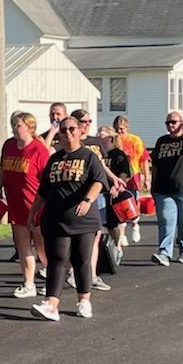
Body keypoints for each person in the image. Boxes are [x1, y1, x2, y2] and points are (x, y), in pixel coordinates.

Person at [29, 115, 107, 321]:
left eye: (72, 128)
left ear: (80, 131)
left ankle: (84, 301)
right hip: (56, 219)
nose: (68, 133)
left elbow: (99, 181)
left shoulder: (89, 156)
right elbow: (43, 190)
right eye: (63, 130)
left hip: (83, 220)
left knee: (81, 260)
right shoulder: (54, 159)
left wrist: (87, 200)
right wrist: (33, 211)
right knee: (57, 260)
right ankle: (52, 305)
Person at [70, 109, 127, 292]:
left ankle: (92, 275)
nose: (87, 124)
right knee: (74, 237)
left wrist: (114, 178)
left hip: (97, 195)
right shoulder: (73, 142)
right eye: (83, 121)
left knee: (95, 236)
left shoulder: (95, 142)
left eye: (89, 121)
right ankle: (72, 272)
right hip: (76, 195)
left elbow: (100, 165)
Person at [0, 112, 50, 298]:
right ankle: (29, 284)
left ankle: (52, 280)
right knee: (22, 246)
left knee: (42, 247)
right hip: (16, 205)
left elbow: (47, 181)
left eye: (18, 125)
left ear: (29, 128)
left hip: (35, 206)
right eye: (13, 125)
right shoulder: (9, 146)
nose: (14, 128)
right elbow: (3, 169)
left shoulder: (39, 150)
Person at [150, 110, 183, 266]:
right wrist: (153, 187)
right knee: (166, 221)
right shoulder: (161, 141)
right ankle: (164, 253)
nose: (170, 125)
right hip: (163, 189)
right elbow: (155, 165)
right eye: (168, 123)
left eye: (174, 122)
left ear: (181, 122)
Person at [113, 115, 150, 246]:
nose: (119, 131)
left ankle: (135, 224)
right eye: (117, 129)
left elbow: (144, 159)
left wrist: (147, 178)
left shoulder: (135, 140)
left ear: (127, 128)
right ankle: (122, 234)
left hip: (133, 178)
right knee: (120, 206)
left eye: (122, 128)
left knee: (133, 205)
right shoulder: (113, 141)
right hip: (118, 178)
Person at [96, 125, 131, 255]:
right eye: (98, 135)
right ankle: (101, 249)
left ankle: (117, 245)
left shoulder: (117, 154)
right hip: (99, 191)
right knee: (99, 223)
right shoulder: (96, 154)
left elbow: (124, 172)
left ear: (110, 138)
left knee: (112, 224)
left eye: (102, 135)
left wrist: (117, 186)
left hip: (112, 193)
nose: (99, 138)